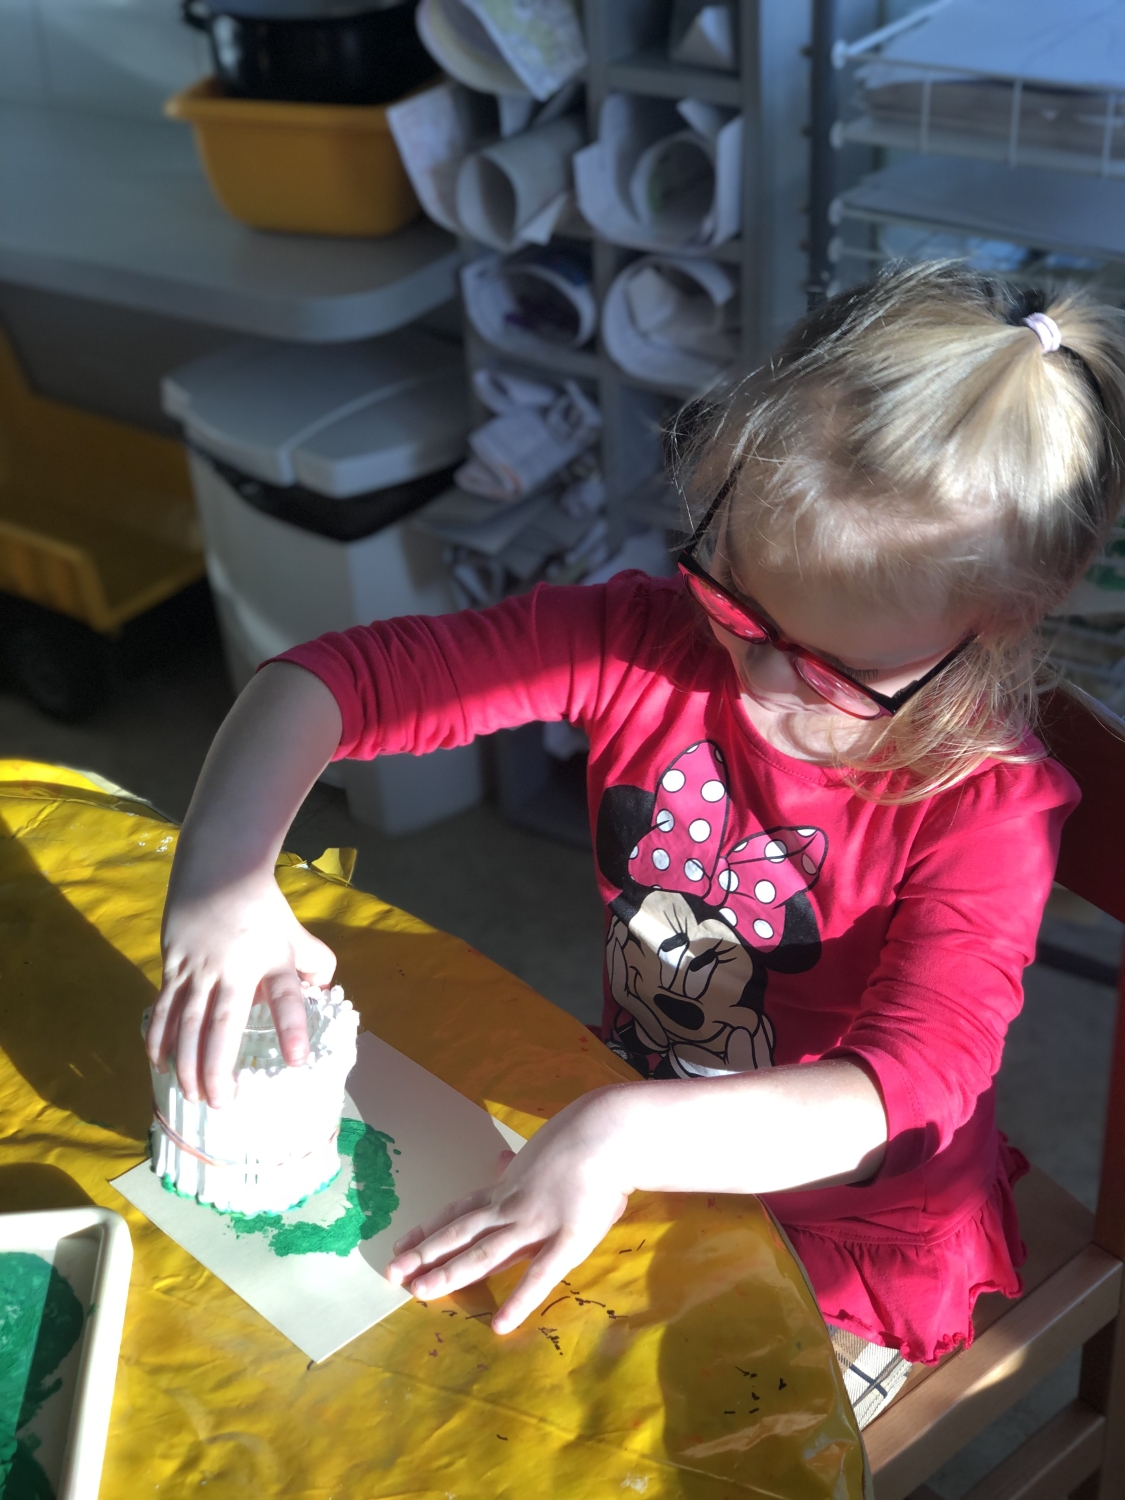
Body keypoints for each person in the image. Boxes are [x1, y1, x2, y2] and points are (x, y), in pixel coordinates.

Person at [147, 263, 1125, 1427]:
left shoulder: (988, 810)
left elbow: (907, 1091)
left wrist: (622, 1134)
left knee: (652, 1450)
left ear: (1001, 623)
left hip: (848, 1236)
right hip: (625, 1120)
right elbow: (335, 681)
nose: (761, 682)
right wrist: (224, 881)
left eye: (838, 672)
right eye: (737, 605)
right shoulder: (638, 641)